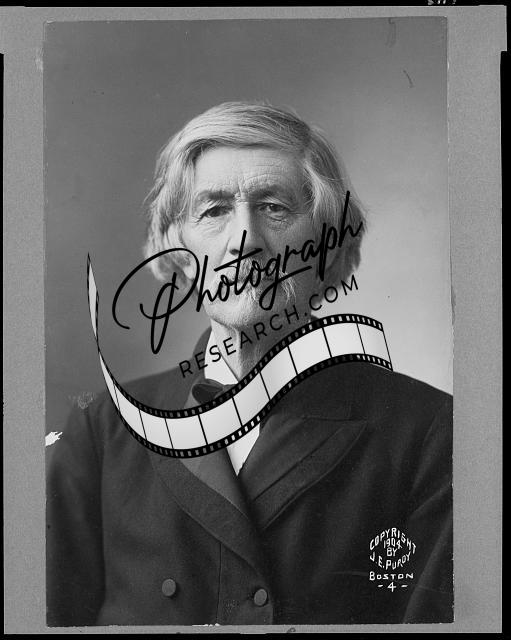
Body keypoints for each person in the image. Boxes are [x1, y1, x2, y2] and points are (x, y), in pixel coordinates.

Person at [46, 102, 453, 626]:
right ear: (178, 248)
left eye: (274, 208)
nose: (246, 241)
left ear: (327, 245)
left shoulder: (431, 432)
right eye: (214, 210)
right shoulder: (102, 429)